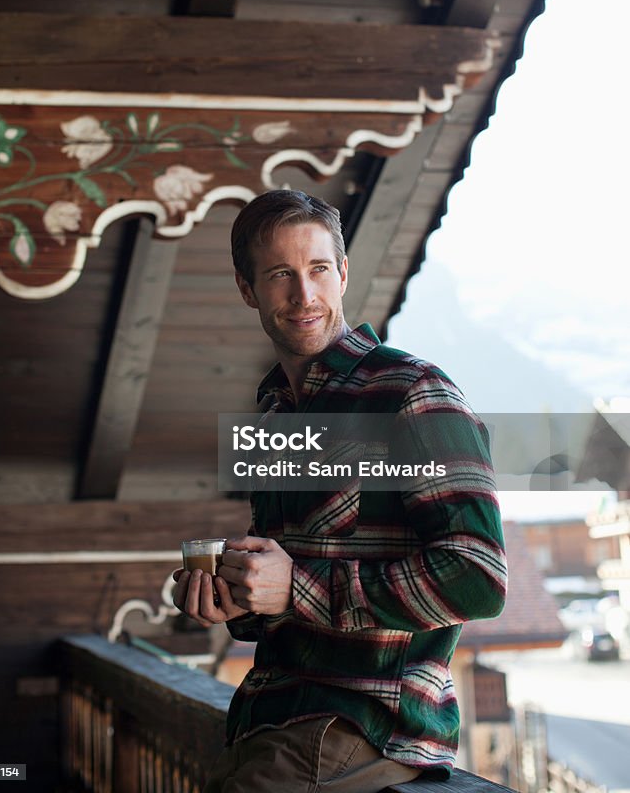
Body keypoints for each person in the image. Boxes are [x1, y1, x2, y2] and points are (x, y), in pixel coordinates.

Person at [173, 189, 507, 793]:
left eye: (318, 269)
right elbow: (289, 596)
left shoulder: (412, 393)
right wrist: (240, 599)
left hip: (362, 726)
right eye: (280, 275)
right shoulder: (274, 413)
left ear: (343, 273)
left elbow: (478, 578)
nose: (304, 295)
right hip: (269, 717)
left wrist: (293, 586)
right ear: (248, 290)